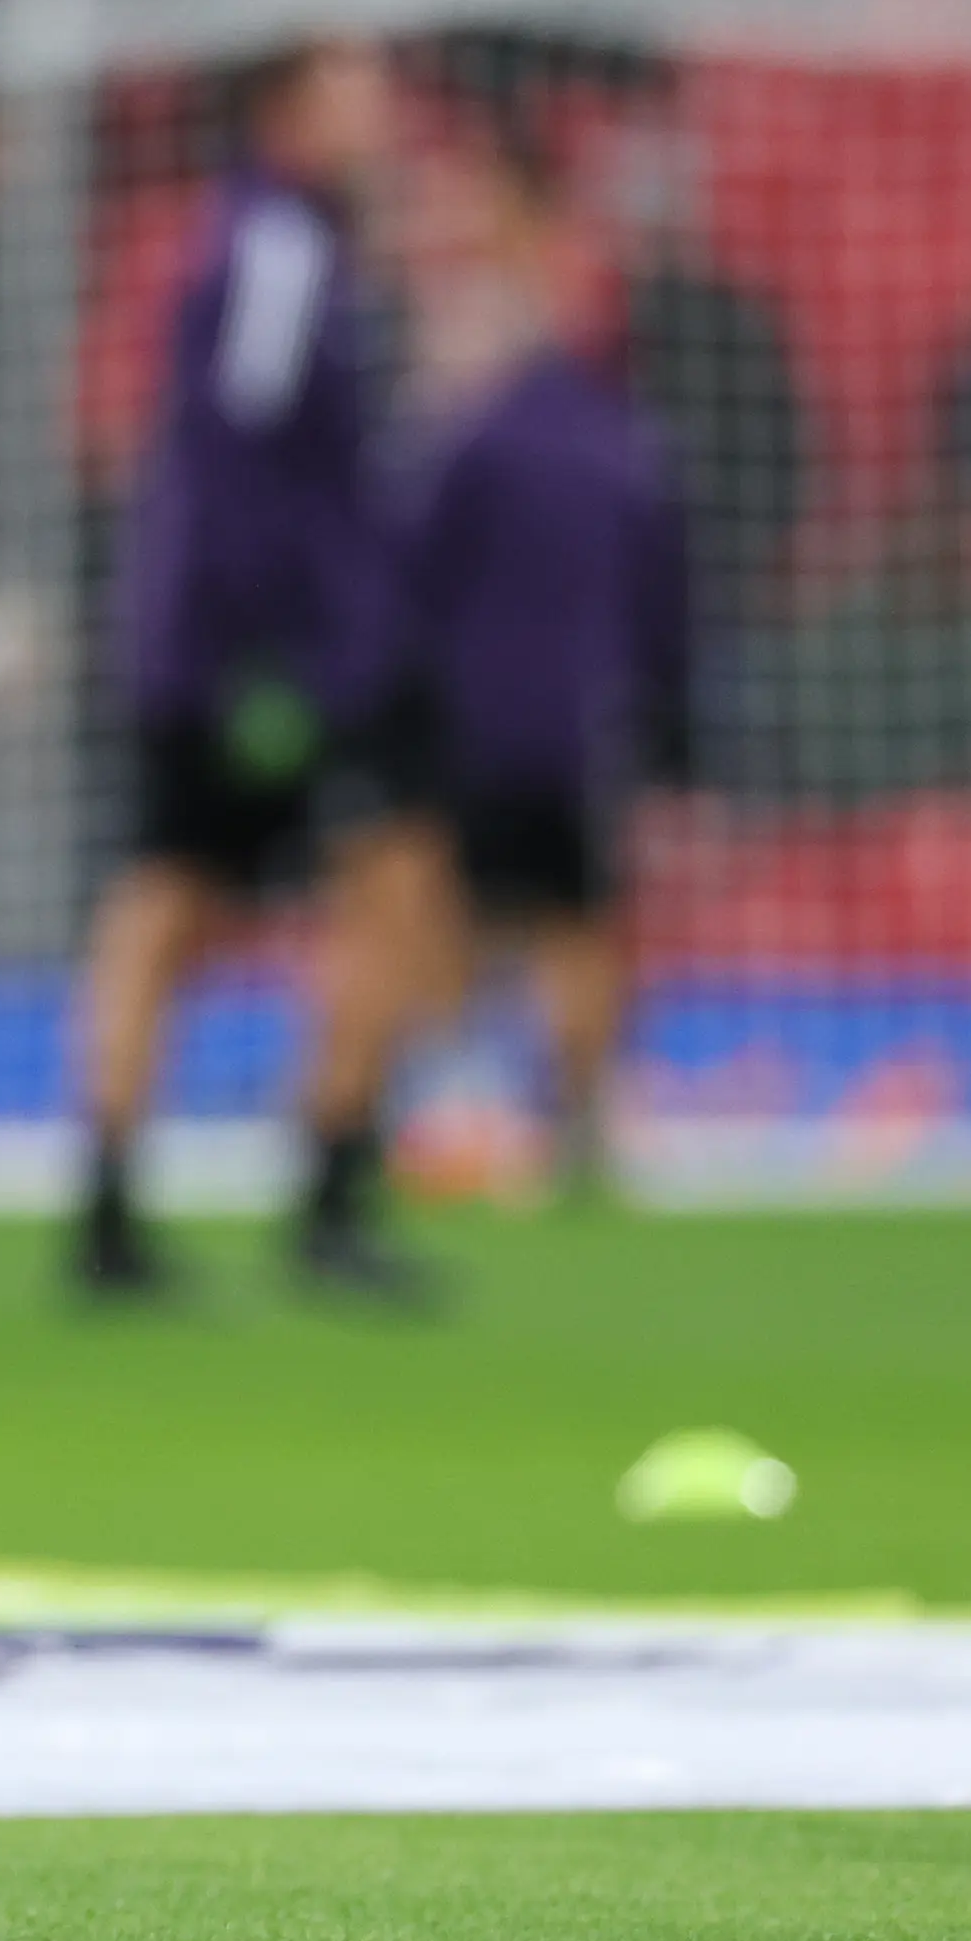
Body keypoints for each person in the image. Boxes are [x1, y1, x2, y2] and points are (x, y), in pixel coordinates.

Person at [72, 36, 435, 1305]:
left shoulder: (292, 239)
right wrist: (262, 655)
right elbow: (230, 449)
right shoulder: (277, 247)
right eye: (356, 84)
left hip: (268, 636)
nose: (383, 107)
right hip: (269, 647)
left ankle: (146, 1205)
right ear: (287, 105)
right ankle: (295, 1197)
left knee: (235, 892)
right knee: (207, 899)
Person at [391, 109, 693, 1199]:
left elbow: (412, 568)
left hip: (469, 713)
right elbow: (668, 600)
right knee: (577, 918)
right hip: (581, 717)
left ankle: (456, 1100)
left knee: (440, 896)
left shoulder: (468, 434)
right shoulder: (625, 442)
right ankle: (583, 1131)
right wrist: (674, 731)